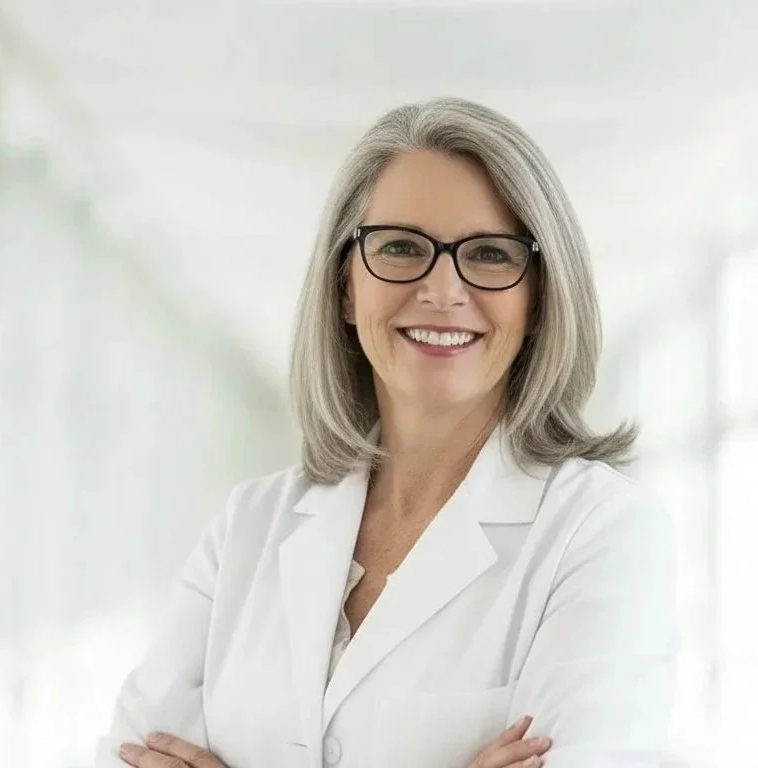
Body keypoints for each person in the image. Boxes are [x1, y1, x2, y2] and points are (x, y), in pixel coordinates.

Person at [96, 97, 676, 768]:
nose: (443, 288)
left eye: (489, 254)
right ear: (345, 285)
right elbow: (126, 755)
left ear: (539, 296)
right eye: (400, 247)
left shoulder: (599, 530)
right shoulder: (248, 527)